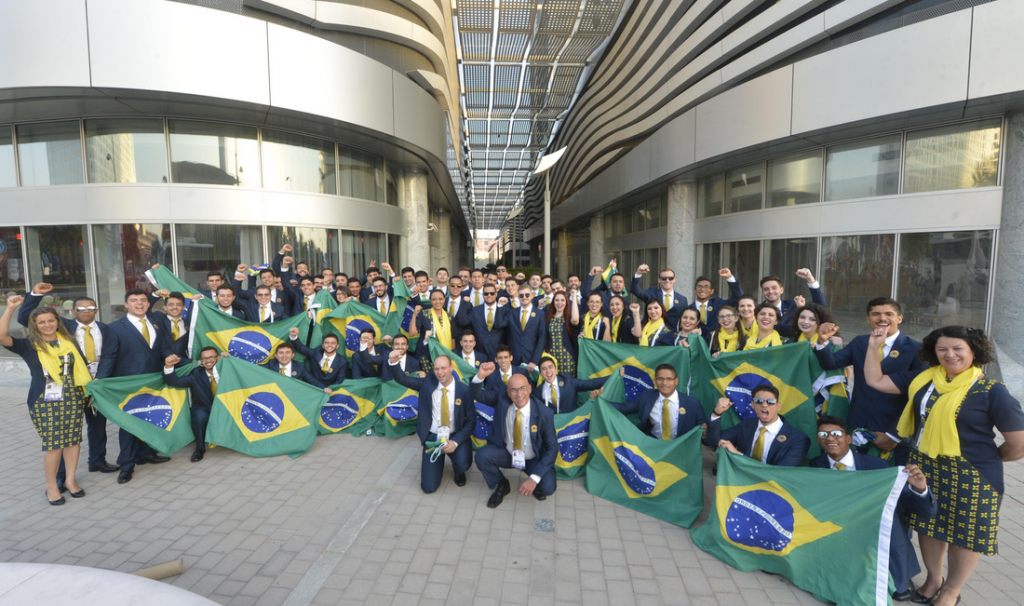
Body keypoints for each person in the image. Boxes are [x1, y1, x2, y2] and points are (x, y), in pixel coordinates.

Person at [863, 325, 1024, 606]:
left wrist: (989, 458)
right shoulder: (925, 380)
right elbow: (876, 380)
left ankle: (951, 591)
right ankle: (933, 580)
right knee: (929, 525)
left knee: (965, 534)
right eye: (942, 349)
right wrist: (872, 347)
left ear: (974, 351)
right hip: (925, 467)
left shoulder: (991, 390)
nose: (950, 354)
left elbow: (1018, 444)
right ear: (934, 353)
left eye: (957, 348)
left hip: (974, 474)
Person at [809, 415, 937, 602]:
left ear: (848, 439)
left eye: (836, 434)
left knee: (894, 591)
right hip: (839, 536)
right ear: (819, 440)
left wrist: (920, 488)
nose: (830, 438)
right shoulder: (816, 465)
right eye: (823, 434)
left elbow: (927, 512)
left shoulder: (878, 466)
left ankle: (899, 573)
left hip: (876, 536)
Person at [17, 284, 118, 477]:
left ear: (96, 310)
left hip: (96, 383)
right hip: (68, 387)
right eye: (81, 309)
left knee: (98, 426)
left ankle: (97, 461)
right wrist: (36, 294)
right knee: (62, 435)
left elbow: (110, 357)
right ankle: (61, 476)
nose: (86, 312)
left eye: (90, 308)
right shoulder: (62, 326)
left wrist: (97, 383)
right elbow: (25, 318)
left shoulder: (107, 330)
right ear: (73, 311)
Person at [0, 295, 90, 505]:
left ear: (57, 321)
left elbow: (83, 368)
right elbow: (1, 336)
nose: (47, 325)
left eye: (51, 320)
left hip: (73, 396)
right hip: (44, 400)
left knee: (73, 441)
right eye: (42, 322)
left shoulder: (70, 341)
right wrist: (10, 308)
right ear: (35, 325)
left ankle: (69, 480)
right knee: (54, 445)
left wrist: (89, 393)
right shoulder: (28, 345)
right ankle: (51, 487)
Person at [815, 297, 927, 463]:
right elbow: (831, 363)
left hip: (894, 432)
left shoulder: (916, 349)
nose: (882, 318)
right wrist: (822, 341)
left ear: (899, 318)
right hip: (858, 425)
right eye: (876, 314)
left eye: (889, 314)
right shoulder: (860, 342)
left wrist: (894, 436)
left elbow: (920, 396)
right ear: (868, 319)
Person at [97, 289, 175, 484]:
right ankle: (126, 465)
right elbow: (109, 357)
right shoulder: (114, 328)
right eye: (134, 301)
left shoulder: (157, 323)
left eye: (143, 300)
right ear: (126, 305)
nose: (139, 304)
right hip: (128, 384)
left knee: (150, 418)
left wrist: (168, 356)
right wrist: (100, 382)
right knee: (129, 425)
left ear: (149, 304)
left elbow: (162, 347)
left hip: (153, 382)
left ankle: (146, 453)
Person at [389, 354, 476, 493]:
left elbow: (471, 420)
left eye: (443, 368)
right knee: (428, 488)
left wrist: (456, 442)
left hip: (454, 435)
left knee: (463, 463)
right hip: (432, 437)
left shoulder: (463, 390)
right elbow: (402, 379)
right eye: (436, 369)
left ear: (451, 368)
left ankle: (458, 470)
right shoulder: (426, 384)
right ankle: (438, 462)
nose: (440, 372)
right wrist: (394, 362)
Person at [471, 367, 557, 507]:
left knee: (548, 487)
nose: (519, 394)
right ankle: (502, 484)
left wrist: (533, 479)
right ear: (508, 393)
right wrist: (480, 376)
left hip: (532, 458)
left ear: (529, 388)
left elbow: (552, 448)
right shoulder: (501, 398)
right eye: (513, 390)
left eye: (523, 388)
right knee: (481, 457)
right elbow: (477, 395)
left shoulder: (544, 413)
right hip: (508, 453)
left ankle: (535, 485)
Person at [615, 364, 728, 444]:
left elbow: (706, 436)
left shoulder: (693, 404)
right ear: (655, 380)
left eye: (669, 379)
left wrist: (714, 415)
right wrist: (599, 400)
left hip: (680, 449)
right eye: (660, 379)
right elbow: (622, 408)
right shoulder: (647, 396)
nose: (664, 383)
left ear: (676, 381)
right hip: (652, 445)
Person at [718, 384, 810, 466]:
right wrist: (716, 413)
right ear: (753, 405)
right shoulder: (747, 424)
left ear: (778, 406)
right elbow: (715, 439)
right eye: (759, 401)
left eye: (770, 402)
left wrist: (739, 455)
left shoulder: (799, 439)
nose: (764, 405)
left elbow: (782, 472)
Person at [162, 348, 222, 462]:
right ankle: (200, 448)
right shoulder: (196, 374)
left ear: (217, 357)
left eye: (211, 357)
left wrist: (229, 357)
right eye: (204, 358)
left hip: (225, 406)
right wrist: (169, 366)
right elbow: (174, 381)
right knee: (199, 417)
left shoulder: (226, 370)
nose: (207, 360)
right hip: (203, 406)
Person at [758, 269, 825, 336]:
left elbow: (820, 304)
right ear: (762, 293)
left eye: (774, 288)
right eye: (766, 289)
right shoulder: (758, 311)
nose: (770, 291)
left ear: (781, 290)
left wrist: (810, 279)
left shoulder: (793, 305)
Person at [532, 355, 607, 414]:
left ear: (556, 369)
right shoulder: (537, 393)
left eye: (550, 367)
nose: (548, 371)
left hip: (572, 426)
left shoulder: (568, 381)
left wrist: (615, 376)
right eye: (544, 369)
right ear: (540, 373)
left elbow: (591, 383)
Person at [410, 290, 455, 371]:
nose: (437, 302)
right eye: (434, 299)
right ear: (430, 300)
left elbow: (453, 339)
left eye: (440, 299)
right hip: (425, 354)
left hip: (444, 354)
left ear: (444, 300)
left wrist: (452, 355)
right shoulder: (424, 314)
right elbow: (412, 333)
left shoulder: (449, 317)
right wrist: (414, 314)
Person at [459, 284, 506, 360]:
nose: (489, 295)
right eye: (486, 294)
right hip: (480, 352)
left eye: (492, 293)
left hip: (499, 353)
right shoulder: (475, 310)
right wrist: (463, 303)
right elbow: (463, 322)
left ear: (496, 294)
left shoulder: (504, 310)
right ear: (483, 295)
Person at [506, 290, 547, 371]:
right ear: (518, 297)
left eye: (527, 295)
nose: (524, 297)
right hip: (514, 359)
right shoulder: (511, 313)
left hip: (531, 359)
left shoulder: (540, 314)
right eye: (521, 295)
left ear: (532, 296)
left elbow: (542, 338)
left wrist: (534, 361)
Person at [264, 343, 328, 389]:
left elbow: (312, 381)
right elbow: (255, 370)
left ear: (292, 355)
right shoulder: (271, 364)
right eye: (281, 353)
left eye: (287, 352)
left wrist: (325, 388)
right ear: (276, 356)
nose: (284, 355)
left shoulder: (300, 367)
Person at [545, 290, 578, 376]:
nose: (559, 303)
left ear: (566, 302)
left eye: (562, 300)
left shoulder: (568, 318)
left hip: (567, 358)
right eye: (557, 300)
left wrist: (574, 297)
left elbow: (575, 320)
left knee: (568, 385)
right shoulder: (548, 318)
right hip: (551, 357)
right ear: (553, 302)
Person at [147, 290, 190, 357]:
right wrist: (155, 295)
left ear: (183, 307)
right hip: (160, 364)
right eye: (171, 304)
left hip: (183, 363)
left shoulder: (189, 324)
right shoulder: (158, 318)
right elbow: (146, 309)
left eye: (178, 305)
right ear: (165, 307)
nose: (175, 307)